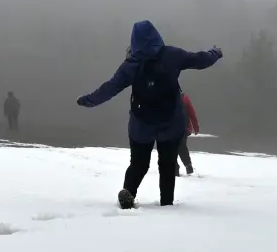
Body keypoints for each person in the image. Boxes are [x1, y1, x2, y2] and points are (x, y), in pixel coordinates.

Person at [76, 20, 222, 208]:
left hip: (141, 125)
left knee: (138, 163)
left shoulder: (132, 64)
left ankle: (128, 193)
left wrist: (88, 100)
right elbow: (199, 60)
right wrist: (215, 53)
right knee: (167, 165)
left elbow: (109, 88)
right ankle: (166, 203)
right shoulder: (171, 55)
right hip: (170, 123)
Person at [176, 89, 199, 176]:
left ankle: (175, 170)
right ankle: (188, 166)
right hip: (184, 129)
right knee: (182, 147)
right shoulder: (184, 98)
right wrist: (195, 128)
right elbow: (192, 113)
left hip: (170, 129)